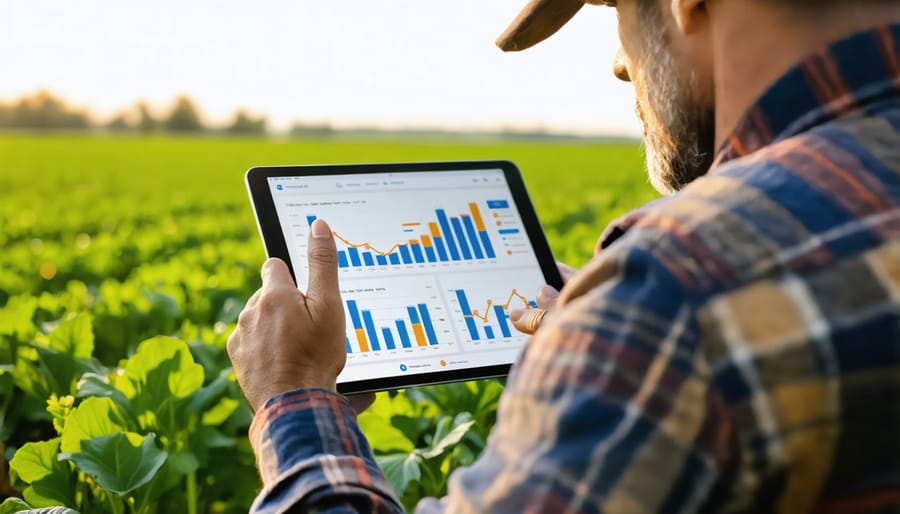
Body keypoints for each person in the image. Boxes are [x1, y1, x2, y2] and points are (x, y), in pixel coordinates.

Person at [227, 0, 900, 512]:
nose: (618, 61)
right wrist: (612, 353)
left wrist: (297, 395)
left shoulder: (681, 288)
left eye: (619, 11)